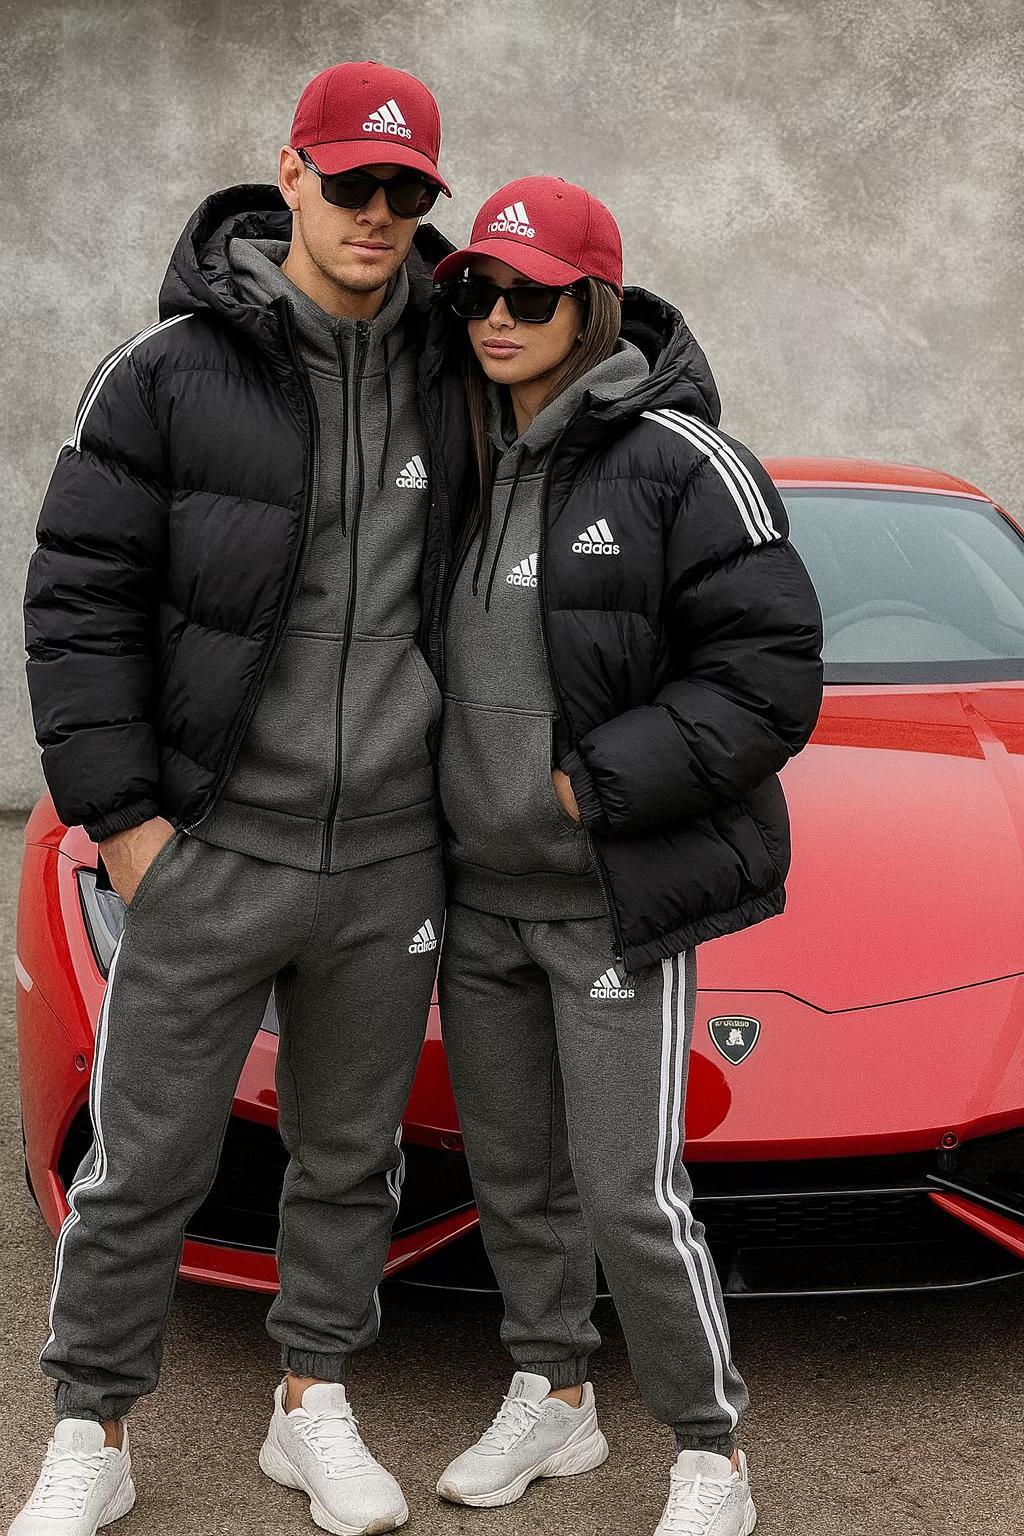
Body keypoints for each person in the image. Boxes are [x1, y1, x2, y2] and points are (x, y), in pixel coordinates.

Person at [16, 60, 454, 1536]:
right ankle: (93, 1428)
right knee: (147, 1157)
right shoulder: (164, 373)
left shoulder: (461, 367)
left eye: (405, 192)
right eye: (351, 183)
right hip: (211, 846)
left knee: (348, 1157)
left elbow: (625, 409)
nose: (376, 214)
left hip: (389, 856)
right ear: (290, 175)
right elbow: (78, 603)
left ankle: (310, 1403)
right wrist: (129, 826)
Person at [426, 176, 824, 1535]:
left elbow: (768, 678)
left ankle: (712, 1455)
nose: (496, 316)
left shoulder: (682, 461)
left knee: (629, 1193)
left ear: (591, 305)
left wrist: (590, 786)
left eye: (528, 294)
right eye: (477, 292)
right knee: (514, 1180)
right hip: (475, 898)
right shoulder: (456, 450)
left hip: (605, 899)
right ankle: (555, 1396)